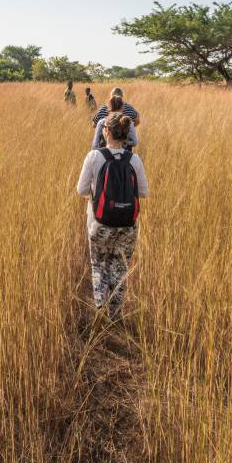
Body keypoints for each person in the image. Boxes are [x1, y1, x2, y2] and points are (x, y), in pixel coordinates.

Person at [76, 113, 149, 319]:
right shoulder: (134, 159)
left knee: (98, 264)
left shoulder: (94, 156)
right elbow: (143, 192)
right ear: (127, 134)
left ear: (105, 132)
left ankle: (100, 309)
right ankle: (114, 314)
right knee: (119, 267)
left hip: (99, 222)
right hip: (128, 225)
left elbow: (81, 190)